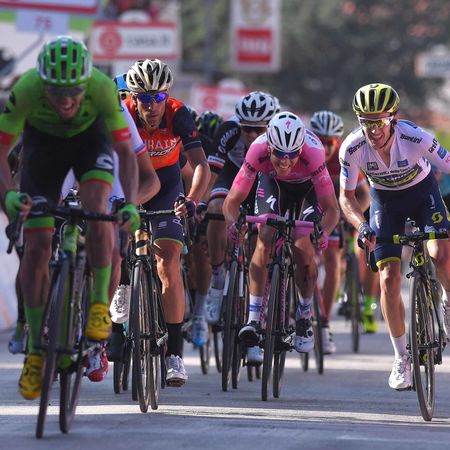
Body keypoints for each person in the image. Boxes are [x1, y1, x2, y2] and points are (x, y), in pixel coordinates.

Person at [0, 36, 140, 400]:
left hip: (90, 144)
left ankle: (99, 306)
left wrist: (129, 205)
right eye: (56, 93)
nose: (64, 101)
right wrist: (9, 196)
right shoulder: (27, 88)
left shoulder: (101, 89)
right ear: (42, 83)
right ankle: (35, 349)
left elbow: (126, 153)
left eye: (72, 92)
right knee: (36, 247)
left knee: (98, 209)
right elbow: (1, 149)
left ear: (85, 83)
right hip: (44, 149)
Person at [339, 83, 450, 390]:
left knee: (440, 254)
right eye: (366, 122)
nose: (373, 130)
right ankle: (401, 358)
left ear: (393, 119)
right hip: (385, 203)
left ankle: (447, 299)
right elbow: (346, 197)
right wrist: (361, 225)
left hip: (423, 194)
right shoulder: (352, 148)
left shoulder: (416, 137)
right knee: (388, 278)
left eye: (379, 122)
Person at [119, 58, 210, 385]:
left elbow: (201, 165)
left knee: (167, 261)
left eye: (158, 97)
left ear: (166, 95)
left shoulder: (178, 113)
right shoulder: (123, 113)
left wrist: (192, 199)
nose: (152, 106)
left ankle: (174, 354)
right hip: (131, 181)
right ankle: (120, 301)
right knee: (120, 244)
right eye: (145, 98)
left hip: (168, 184)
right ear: (134, 98)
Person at [223, 111, 340, 356]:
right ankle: (254, 318)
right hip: (273, 184)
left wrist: (324, 232)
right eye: (278, 153)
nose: (285, 161)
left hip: (308, 189)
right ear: (269, 148)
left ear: (300, 150)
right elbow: (232, 201)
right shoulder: (257, 150)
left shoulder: (314, 153)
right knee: (264, 235)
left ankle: (304, 316)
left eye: (292, 155)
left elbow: (332, 209)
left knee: (303, 244)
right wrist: (234, 224)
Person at [203, 91, 276, 364]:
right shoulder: (228, 130)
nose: (252, 134)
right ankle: (217, 277)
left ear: (269, 126)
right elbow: (212, 173)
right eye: (247, 129)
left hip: (263, 180)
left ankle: (256, 324)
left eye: (258, 130)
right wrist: (201, 203)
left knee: (262, 238)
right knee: (214, 210)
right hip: (233, 175)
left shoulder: (278, 135)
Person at [309, 110, 370, 352]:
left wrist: (350, 215)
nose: (326, 147)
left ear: (338, 140)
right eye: (320, 140)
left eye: (331, 142)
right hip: (310, 203)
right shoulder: (304, 150)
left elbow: (364, 195)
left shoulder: (344, 154)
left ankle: (323, 324)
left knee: (333, 261)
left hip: (337, 206)